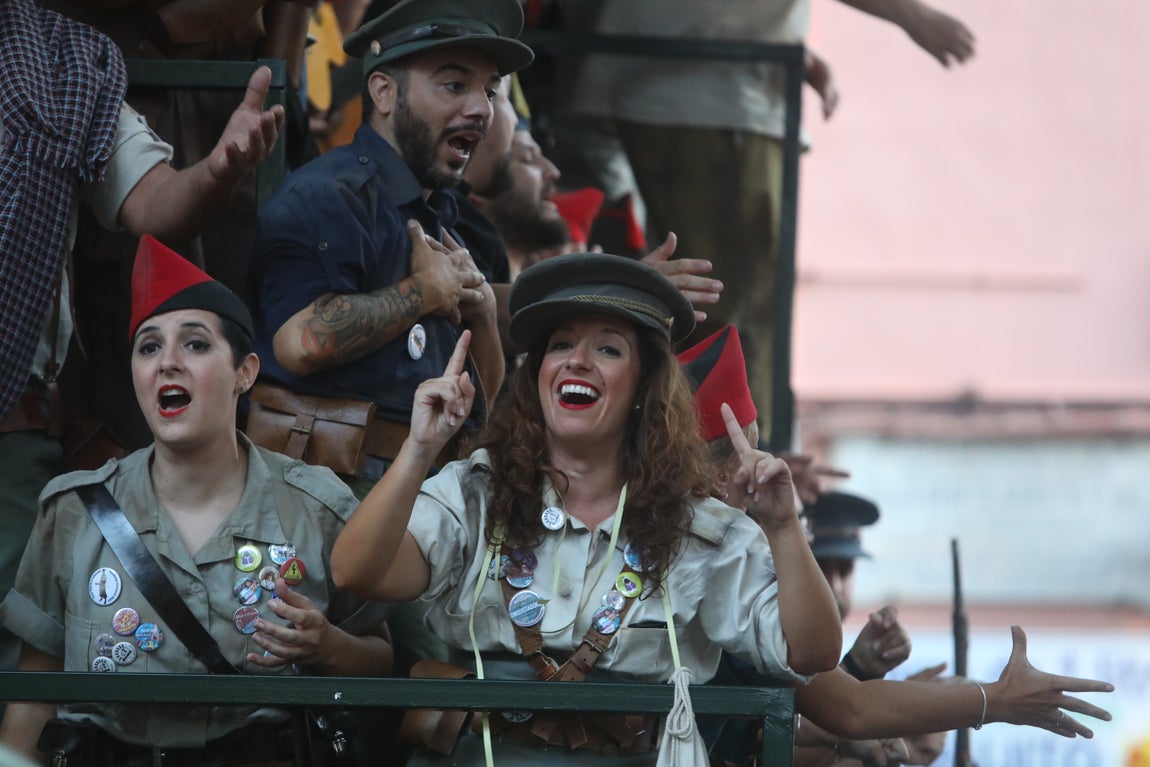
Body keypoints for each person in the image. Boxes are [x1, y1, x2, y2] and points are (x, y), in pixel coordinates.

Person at [331, 252, 845, 763]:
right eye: (561, 345)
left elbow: (812, 652)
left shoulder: (698, 528)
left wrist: (782, 526)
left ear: (646, 385)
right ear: (538, 375)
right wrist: (419, 448)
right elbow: (357, 571)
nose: (577, 360)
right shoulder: (476, 491)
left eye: (608, 348)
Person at [0, 236, 392, 763]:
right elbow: (33, 697)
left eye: (196, 344)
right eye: (149, 347)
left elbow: (382, 657)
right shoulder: (72, 511)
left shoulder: (316, 507)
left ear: (245, 373)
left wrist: (328, 647)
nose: (167, 363)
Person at [0, 0, 284, 707]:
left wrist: (219, 166)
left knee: (15, 666)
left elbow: (157, 203)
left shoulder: (65, 59)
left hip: (11, 426)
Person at [680, 325, 1114, 767]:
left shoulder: (683, 540)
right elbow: (850, 707)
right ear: (721, 478)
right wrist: (997, 699)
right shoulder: (722, 551)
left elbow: (833, 698)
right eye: (753, 450)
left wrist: (864, 673)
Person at [560, 0, 977, 434]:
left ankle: (736, 464)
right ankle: (728, 468)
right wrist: (912, 16)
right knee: (726, 308)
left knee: (738, 306)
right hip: (701, 83)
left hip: (709, 75)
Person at [249, 0, 535, 489]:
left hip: (434, 487)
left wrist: (484, 314)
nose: (481, 109)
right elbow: (300, 342)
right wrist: (425, 292)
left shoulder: (442, 211)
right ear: (383, 91)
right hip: (328, 492)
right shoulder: (328, 195)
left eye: (489, 91)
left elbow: (477, 404)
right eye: (454, 85)